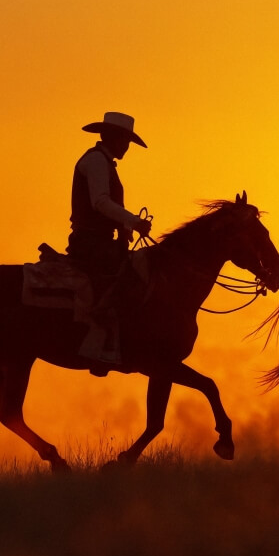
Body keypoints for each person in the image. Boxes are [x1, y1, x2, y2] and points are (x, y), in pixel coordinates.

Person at [67, 111, 153, 366]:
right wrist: (133, 222)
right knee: (131, 275)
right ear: (114, 138)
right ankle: (99, 339)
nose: (127, 147)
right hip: (91, 242)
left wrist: (124, 228)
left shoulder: (101, 162)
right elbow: (101, 202)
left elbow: (104, 204)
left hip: (99, 240)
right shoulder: (95, 162)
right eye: (125, 141)